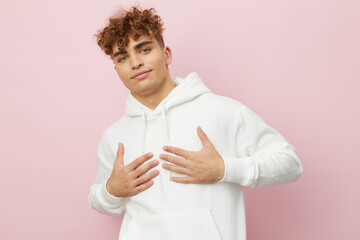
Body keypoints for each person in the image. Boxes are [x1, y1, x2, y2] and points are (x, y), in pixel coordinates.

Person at [88, 4, 303, 240]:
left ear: (166, 53)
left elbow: (290, 164)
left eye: (145, 49)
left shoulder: (222, 111)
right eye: (122, 57)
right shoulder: (114, 136)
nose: (135, 62)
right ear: (117, 68)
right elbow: (102, 202)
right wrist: (111, 190)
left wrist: (225, 169)